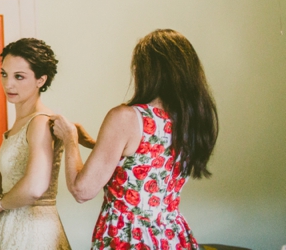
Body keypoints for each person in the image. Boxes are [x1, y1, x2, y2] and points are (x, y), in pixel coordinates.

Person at [51, 29, 219, 250]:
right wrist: (96, 144)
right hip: (172, 235)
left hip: (130, 238)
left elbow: (82, 191)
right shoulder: (192, 120)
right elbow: (149, 159)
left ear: (148, 71)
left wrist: (70, 138)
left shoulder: (126, 117)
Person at [0, 37, 77, 250]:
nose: (8, 84)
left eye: (19, 77)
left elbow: (35, 186)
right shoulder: (21, 121)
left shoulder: (40, 122)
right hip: (11, 225)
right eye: (4, 74)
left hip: (35, 231)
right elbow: (4, 166)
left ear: (40, 80)